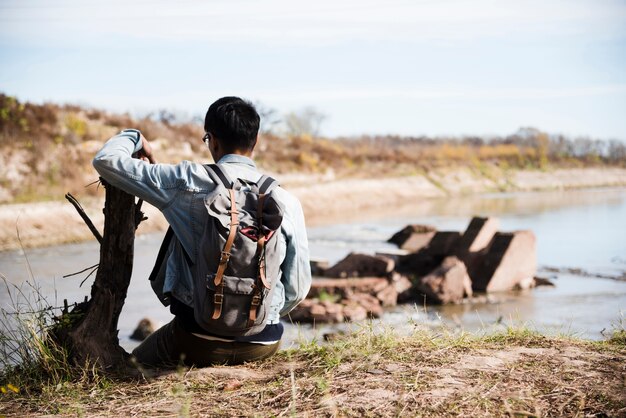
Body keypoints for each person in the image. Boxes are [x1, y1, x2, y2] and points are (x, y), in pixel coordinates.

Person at [93, 96, 311, 367]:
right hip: (263, 342)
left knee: (134, 365)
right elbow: (298, 289)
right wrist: (262, 316)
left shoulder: (186, 181)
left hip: (197, 339)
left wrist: (134, 137)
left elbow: (106, 160)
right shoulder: (285, 200)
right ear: (254, 141)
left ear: (212, 140)